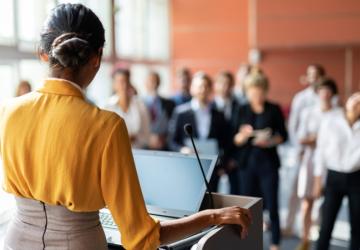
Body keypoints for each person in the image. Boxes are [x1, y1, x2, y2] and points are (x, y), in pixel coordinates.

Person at [0, 4, 252, 250]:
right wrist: (212, 216)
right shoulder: (106, 126)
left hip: (14, 240)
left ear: (43, 53)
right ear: (97, 58)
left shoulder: (8, 111)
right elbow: (141, 238)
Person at [233, 70, 287, 250]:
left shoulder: (274, 108)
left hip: (268, 163)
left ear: (266, 90)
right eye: (252, 91)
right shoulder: (241, 108)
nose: (256, 95)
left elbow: (283, 136)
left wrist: (270, 141)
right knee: (247, 207)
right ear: (247, 91)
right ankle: (248, 242)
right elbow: (235, 140)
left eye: (260, 91)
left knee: (272, 204)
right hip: (247, 163)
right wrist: (243, 134)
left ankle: (275, 244)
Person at [295, 78, 340, 250]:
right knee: (307, 202)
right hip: (310, 159)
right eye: (322, 90)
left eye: (328, 90)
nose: (325, 94)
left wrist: (321, 140)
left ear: (333, 94)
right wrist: (315, 140)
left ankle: (322, 239)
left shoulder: (338, 113)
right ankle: (305, 239)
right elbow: (301, 137)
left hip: (331, 162)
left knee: (326, 203)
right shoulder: (309, 112)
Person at [283, 64, 327, 236]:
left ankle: (314, 226)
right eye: (311, 75)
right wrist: (299, 148)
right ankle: (289, 224)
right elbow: (293, 125)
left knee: (319, 189)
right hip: (303, 151)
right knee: (295, 188)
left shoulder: (329, 97)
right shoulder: (300, 98)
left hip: (322, 152)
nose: (313, 78)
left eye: (317, 75)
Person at [313, 92, 360, 250]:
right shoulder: (331, 121)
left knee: (357, 227)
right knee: (326, 225)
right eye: (354, 99)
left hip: (357, 178)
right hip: (334, 176)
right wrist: (318, 181)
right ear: (347, 101)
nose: (357, 104)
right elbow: (320, 152)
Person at [168, 72, 229, 191]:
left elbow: (225, 141)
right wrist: (182, 149)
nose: (203, 90)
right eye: (199, 86)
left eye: (206, 86)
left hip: (212, 168)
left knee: (212, 204)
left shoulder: (219, 115)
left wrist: (222, 164)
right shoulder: (180, 113)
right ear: (192, 89)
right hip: (189, 167)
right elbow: (171, 141)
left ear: (211, 89)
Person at [105, 68, 150, 149]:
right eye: (121, 82)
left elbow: (147, 135)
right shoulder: (107, 106)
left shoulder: (140, 105)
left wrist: (136, 138)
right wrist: (125, 139)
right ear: (114, 85)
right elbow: (104, 135)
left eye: (127, 81)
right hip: (115, 151)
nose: (124, 85)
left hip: (138, 152)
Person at [212, 71, 241, 194]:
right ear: (216, 85)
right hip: (215, 159)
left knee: (236, 195)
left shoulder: (240, 107)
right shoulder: (210, 107)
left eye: (228, 84)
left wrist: (233, 159)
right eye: (221, 84)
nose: (225, 87)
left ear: (232, 85)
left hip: (234, 159)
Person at [144, 71, 175, 150]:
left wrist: (164, 138)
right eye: (151, 81)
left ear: (159, 83)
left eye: (156, 81)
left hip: (163, 146)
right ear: (145, 83)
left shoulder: (169, 103)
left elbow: (173, 126)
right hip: (145, 147)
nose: (154, 84)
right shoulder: (139, 103)